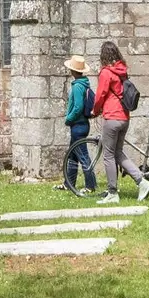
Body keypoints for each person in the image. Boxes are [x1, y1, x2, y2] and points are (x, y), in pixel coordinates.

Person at [94, 40, 149, 204]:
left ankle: (112, 192)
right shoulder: (122, 71)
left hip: (111, 117)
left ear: (103, 56)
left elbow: (100, 95)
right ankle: (142, 182)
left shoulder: (106, 72)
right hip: (124, 117)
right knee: (118, 153)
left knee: (108, 155)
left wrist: (95, 110)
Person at [57, 54, 97, 194]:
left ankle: (90, 185)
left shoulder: (77, 87)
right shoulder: (83, 84)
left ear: (73, 71)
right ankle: (69, 183)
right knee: (73, 156)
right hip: (81, 125)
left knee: (83, 156)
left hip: (78, 125)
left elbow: (78, 107)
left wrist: (69, 118)